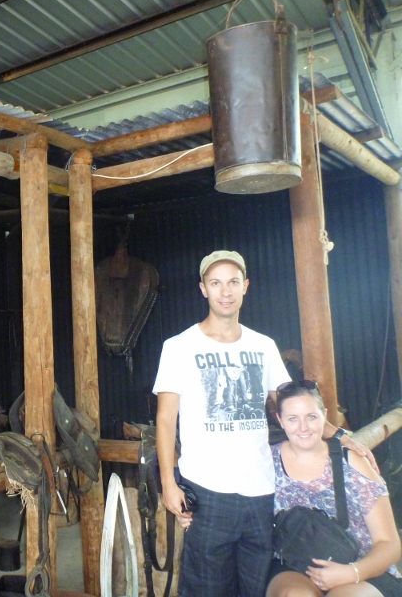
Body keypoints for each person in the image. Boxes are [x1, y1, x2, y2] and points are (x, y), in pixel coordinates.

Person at [153, 250, 376, 596]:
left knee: (257, 586)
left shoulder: (263, 345)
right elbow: (166, 419)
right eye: (216, 283)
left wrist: (342, 435)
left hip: (260, 489)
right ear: (203, 289)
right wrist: (169, 482)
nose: (225, 291)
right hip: (206, 488)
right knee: (205, 588)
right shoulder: (179, 347)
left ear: (246, 287)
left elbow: (292, 405)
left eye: (233, 282)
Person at [267, 381, 402, 597]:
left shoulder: (351, 461)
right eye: (293, 418)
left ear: (325, 416)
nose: (303, 427)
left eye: (311, 417)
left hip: (360, 564)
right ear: (280, 420)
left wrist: (352, 572)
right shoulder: (268, 461)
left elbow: (389, 543)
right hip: (295, 561)